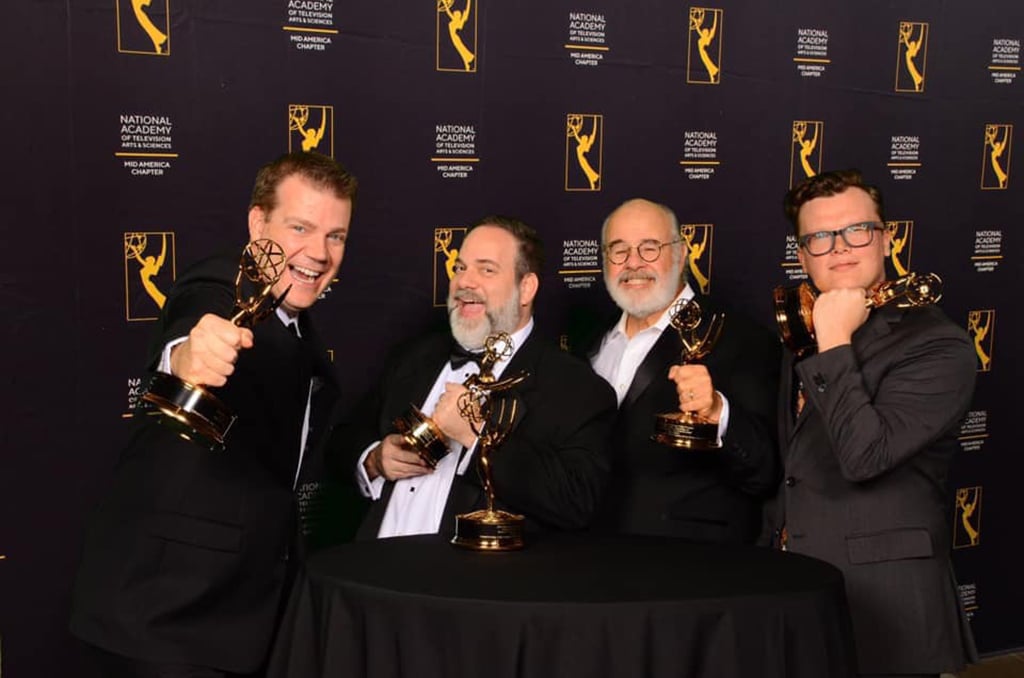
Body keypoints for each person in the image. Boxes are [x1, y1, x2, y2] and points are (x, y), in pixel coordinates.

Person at [69, 151, 358, 677]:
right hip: (165, 614)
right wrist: (185, 356)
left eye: (335, 235)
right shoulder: (225, 282)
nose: (318, 252)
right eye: (300, 227)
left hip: (243, 615)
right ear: (257, 222)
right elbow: (196, 320)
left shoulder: (300, 327)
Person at [765, 169, 977, 677]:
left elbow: (865, 456)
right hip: (798, 593)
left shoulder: (938, 345)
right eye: (819, 237)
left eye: (857, 230)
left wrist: (836, 340)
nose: (839, 248)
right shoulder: (803, 333)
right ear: (801, 255)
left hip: (890, 607)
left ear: (887, 238)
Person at [336, 216, 617, 539]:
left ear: (526, 288)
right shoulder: (416, 357)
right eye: (460, 268)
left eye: (486, 270)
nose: (465, 282)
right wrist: (373, 460)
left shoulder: (575, 387)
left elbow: (576, 501)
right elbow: (343, 439)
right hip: (371, 575)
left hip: (463, 585)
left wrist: (477, 435)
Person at [579, 198, 780, 543]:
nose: (634, 263)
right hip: (593, 557)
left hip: (690, 565)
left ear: (682, 253)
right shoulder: (592, 341)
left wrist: (719, 414)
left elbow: (764, 472)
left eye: (650, 248)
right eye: (619, 250)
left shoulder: (739, 338)